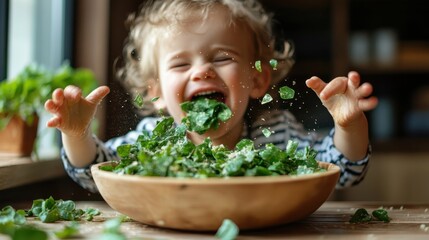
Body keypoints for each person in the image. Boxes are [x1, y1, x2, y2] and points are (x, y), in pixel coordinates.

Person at [44, 0, 378, 193]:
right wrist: (77, 136)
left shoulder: (278, 134)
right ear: (155, 92)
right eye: (180, 64)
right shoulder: (151, 144)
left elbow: (345, 171)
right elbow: (94, 173)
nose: (202, 71)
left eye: (222, 58)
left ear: (258, 79)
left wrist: (349, 126)